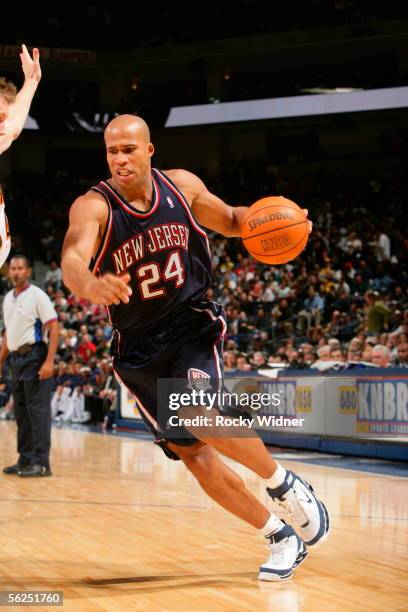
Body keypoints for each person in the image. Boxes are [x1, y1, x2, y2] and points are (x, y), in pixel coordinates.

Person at [61, 114, 329, 582]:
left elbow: (229, 220)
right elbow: (71, 258)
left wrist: (266, 221)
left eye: (129, 149)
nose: (120, 159)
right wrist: (89, 283)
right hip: (137, 347)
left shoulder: (180, 187)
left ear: (149, 151)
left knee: (194, 414)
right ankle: (279, 537)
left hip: (190, 322)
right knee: (194, 453)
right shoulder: (94, 207)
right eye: (112, 151)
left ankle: (283, 483)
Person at [0, 256, 58, 477]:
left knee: (38, 412)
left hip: (34, 355)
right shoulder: (7, 299)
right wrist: (0, 361)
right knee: (21, 411)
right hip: (16, 359)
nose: (15, 272)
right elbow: (8, 333)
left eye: (20, 268)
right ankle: (25, 459)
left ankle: (42, 463)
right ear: (9, 272)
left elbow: (53, 327)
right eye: (12, 268)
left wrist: (49, 360)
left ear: (28, 272)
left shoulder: (37, 296)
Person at [0, 45, 41, 267]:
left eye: (4, 118)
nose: (3, 126)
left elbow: (13, 127)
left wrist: (32, 80)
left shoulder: (5, 132)